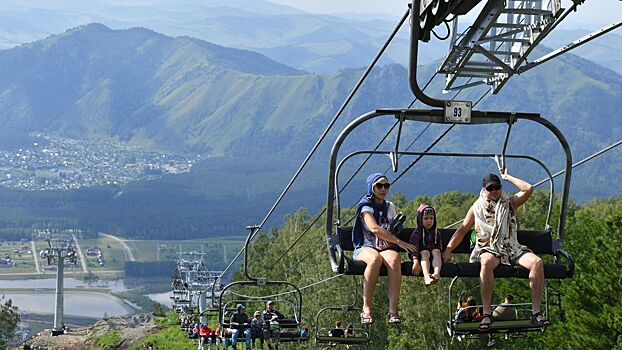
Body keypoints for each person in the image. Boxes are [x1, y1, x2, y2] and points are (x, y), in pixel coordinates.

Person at [443, 169, 549, 331]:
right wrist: (449, 249)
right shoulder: (477, 207)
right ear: (484, 190)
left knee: (537, 262)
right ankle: (487, 313)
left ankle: (536, 312)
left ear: (501, 187)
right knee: (485, 262)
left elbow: (528, 188)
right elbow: (463, 229)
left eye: (497, 188)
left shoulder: (510, 203)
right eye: (490, 189)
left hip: (511, 247)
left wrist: (507, 177)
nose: (494, 192)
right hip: (490, 248)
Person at [351, 173, 417, 325]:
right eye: (379, 186)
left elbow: (389, 229)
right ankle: (366, 308)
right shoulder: (365, 207)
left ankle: (393, 310)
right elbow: (374, 228)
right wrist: (399, 242)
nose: (383, 189)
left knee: (394, 259)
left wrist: (395, 229)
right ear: (371, 188)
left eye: (386, 186)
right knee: (375, 259)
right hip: (366, 246)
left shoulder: (389, 206)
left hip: (384, 247)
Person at [409, 204, 443, 286]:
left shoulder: (435, 232)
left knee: (437, 251)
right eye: (426, 218)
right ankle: (427, 277)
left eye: (431, 218)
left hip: (434, 256)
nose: (429, 221)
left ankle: (436, 274)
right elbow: (413, 248)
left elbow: (439, 245)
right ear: (420, 219)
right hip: (419, 255)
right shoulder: (417, 233)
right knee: (425, 253)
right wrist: (415, 260)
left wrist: (443, 254)